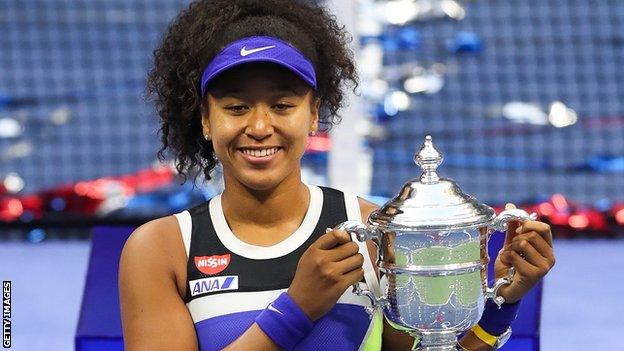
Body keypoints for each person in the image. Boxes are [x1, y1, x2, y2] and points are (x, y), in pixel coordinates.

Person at [119, 0, 556, 350]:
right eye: (236, 107)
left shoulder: (375, 232)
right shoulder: (160, 250)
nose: (258, 126)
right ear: (205, 121)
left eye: (283, 105)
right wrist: (297, 309)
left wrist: (502, 302)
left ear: (313, 116)